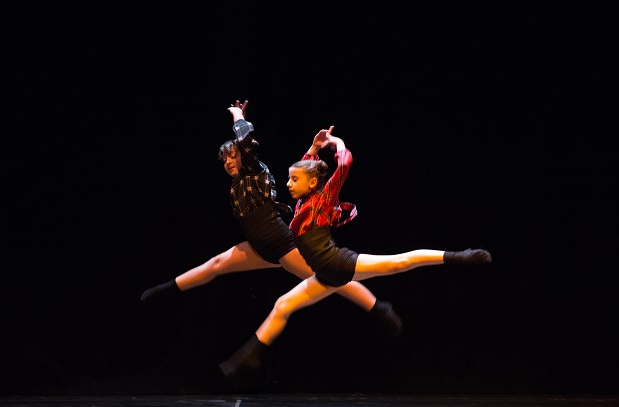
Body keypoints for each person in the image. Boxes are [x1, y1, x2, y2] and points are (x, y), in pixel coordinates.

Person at [219, 126, 492, 377]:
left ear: (312, 183)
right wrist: (314, 149)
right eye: (289, 179)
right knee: (282, 306)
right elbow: (306, 168)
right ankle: (252, 354)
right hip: (325, 275)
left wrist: (337, 142)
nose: (287, 184)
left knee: (400, 262)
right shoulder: (302, 203)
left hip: (339, 263)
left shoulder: (324, 198)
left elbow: (344, 164)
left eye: (293, 180)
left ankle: (459, 255)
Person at [140, 101, 402, 337]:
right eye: (225, 159)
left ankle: (378, 307)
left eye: (234, 155)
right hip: (260, 246)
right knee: (216, 264)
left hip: (280, 243)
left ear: (244, 155)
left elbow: (247, 141)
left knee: (331, 278)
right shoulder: (236, 185)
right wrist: (312, 146)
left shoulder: (254, 169)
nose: (229, 161)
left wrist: (236, 116)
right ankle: (166, 290)